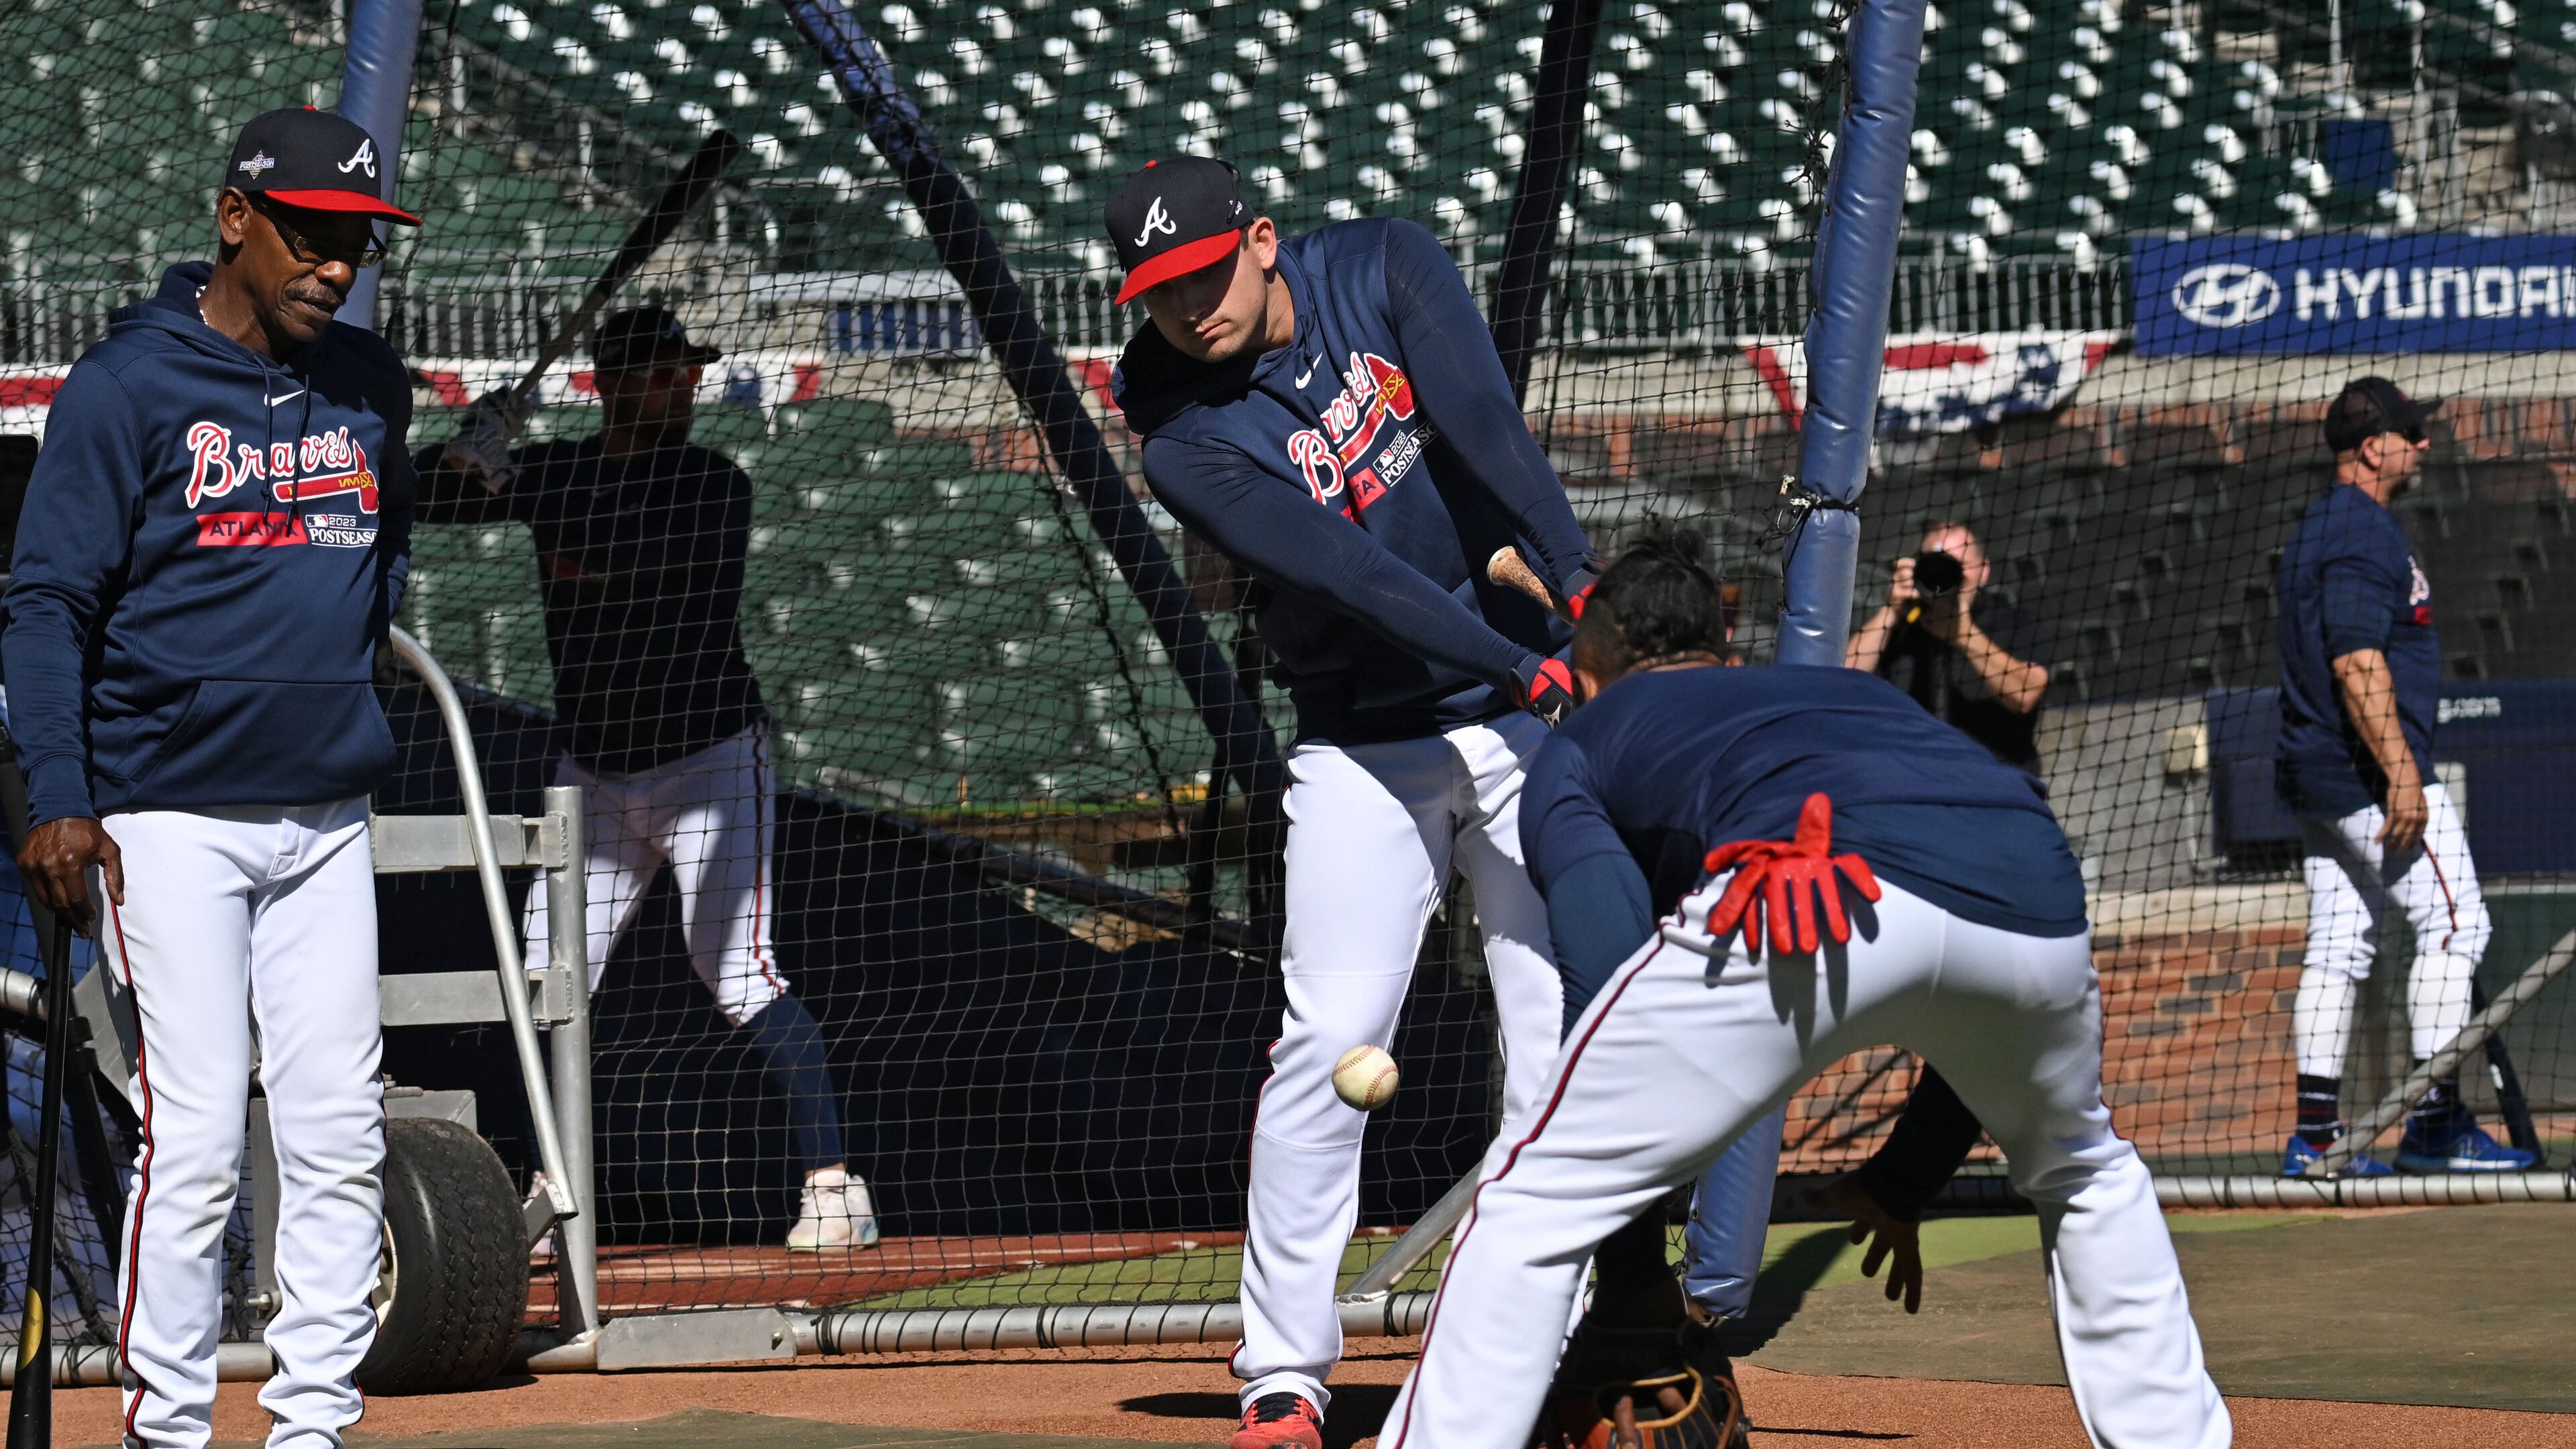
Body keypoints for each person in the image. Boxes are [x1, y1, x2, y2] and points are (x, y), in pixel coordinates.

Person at [1383, 527, 2230, 1449]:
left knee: (1535, 1197)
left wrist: (1633, 1280)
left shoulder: (1583, 739)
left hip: (1808, 887)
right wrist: (1904, 1181)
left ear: (1596, 654)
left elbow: (1605, 966)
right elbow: (1960, 961)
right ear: (1720, 646)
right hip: (2034, 886)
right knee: (2084, 1170)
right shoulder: (1846, 690)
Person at [1104, 156, 1595, 1449]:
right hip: (1366, 743)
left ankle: (1556, 1339)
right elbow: (1356, 573)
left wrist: (1577, 576)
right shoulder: (1182, 438)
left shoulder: (1378, 265)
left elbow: (1489, 429)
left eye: (1206, 275)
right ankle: (1282, 1373)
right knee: (1326, 1047)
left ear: (1262, 241)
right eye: (1157, 294)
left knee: (1558, 1043)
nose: (1188, 309)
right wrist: (1522, 659)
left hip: (1517, 728)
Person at [1, 108, 420, 1449]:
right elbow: (48, 601)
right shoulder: (125, 385)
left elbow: (382, 558)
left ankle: (312, 1427)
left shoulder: (371, 382)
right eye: (311, 235)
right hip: (166, 818)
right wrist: (60, 793)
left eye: (355, 243)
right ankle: (167, 1432)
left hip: (324, 817)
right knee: (189, 1146)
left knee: (339, 1136)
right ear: (235, 217)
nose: (335, 268)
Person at [417, 307, 879, 1248]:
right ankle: (552, 1187)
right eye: (665, 372)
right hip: (591, 770)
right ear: (617, 382)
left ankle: (835, 1186)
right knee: (549, 984)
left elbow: (645, 558)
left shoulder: (712, 483)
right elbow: (423, 502)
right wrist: (472, 447)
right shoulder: (558, 475)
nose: (685, 385)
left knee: (737, 972)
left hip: (706, 759)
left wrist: (518, 473)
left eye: (687, 372)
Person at [2273, 378, 2531, 1177]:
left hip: (2318, 768)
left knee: (2340, 943)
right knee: (2458, 928)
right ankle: (2435, 1121)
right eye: (2409, 433)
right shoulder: (2358, 530)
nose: (2422, 444)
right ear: (2371, 446)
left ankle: (2317, 1136)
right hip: (2363, 773)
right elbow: (2356, 662)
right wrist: (2403, 777)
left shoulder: (2327, 524)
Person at [1844, 520, 2051, 771]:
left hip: (1998, 783)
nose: (1948, 576)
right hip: (1915, 775)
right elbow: (1842, 680)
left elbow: (2025, 695)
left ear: (1984, 571)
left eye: (1958, 566)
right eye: (1937, 565)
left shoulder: (2015, 621)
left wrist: (1963, 636)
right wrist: (1890, 611)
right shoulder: (1905, 626)